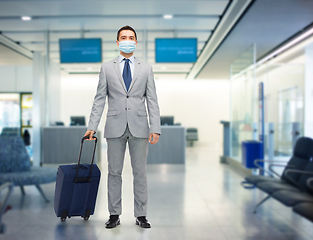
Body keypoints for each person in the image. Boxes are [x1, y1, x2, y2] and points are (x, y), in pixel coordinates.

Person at [84, 25, 161, 229]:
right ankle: (114, 214)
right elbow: (99, 98)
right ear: (118, 42)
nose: (127, 40)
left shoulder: (146, 68)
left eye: (131, 37)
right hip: (115, 126)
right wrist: (92, 125)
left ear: (136, 42)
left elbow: (152, 99)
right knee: (114, 172)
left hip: (140, 126)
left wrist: (156, 127)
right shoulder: (107, 68)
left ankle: (141, 214)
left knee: (140, 173)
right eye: (123, 37)